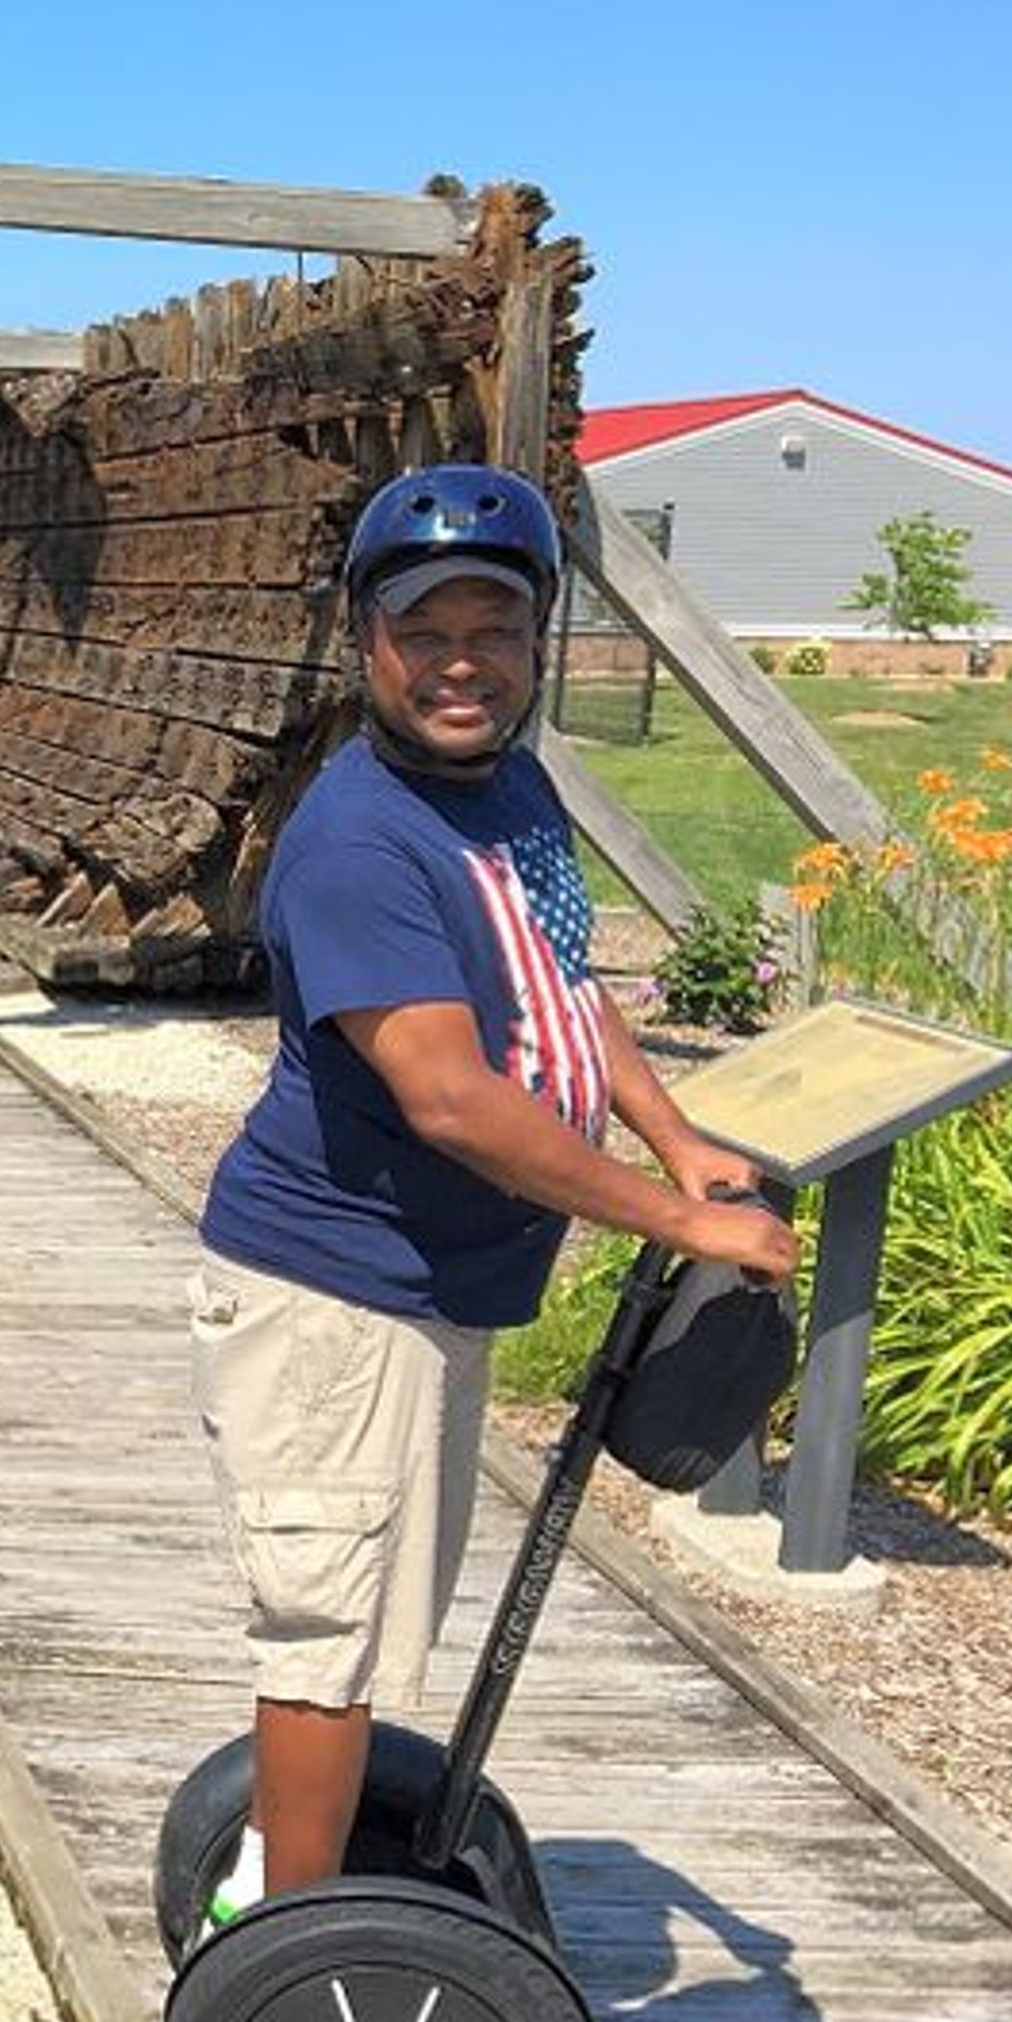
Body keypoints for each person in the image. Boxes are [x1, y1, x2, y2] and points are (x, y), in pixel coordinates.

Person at [191, 464, 797, 1929]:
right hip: (336, 1295)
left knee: (380, 1612)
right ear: (366, 644)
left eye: (495, 628)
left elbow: (558, 981)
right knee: (329, 1631)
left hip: (430, 1287)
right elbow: (448, 1095)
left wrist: (671, 1135)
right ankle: (276, 1943)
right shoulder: (358, 843)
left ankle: (299, 1884)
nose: (462, 662)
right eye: (426, 632)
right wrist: (681, 1224)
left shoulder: (503, 785)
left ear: (539, 642)